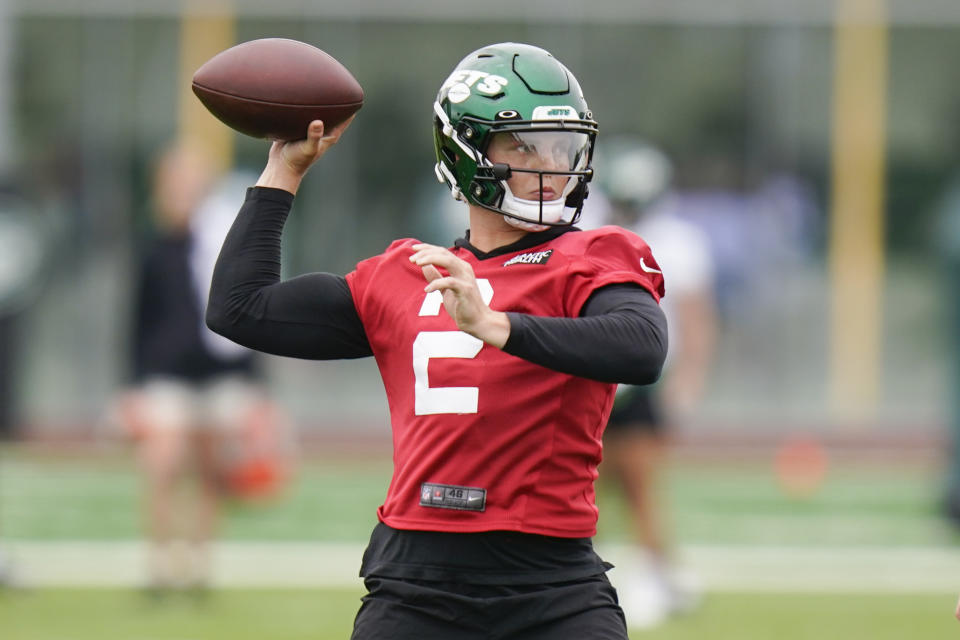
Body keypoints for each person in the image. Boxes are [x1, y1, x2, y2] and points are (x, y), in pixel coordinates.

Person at [207, 43, 667, 639]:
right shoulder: (408, 272)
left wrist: (496, 325)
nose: (550, 165)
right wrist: (284, 171)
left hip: (552, 583)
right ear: (467, 151)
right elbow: (239, 309)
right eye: (524, 146)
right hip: (417, 584)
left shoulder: (592, 256)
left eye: (561, 147)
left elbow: (641, 347)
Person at [115, 142, 270, 597]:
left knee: (209, 473)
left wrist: (256, 383)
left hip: (220, 374)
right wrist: (130, 385)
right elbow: (136, 320)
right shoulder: (155, 248)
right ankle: (160, 566)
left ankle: (199, 567)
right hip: (167, 375)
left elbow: (248, 312)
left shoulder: (221, 244)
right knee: (162, 465)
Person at [593, 139, 717, 628]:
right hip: (599, 374)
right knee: (590, 484)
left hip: (645, 377)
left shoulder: (677, 240)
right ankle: (619, 573)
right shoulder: (594, 231)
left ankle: (654, 573)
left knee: (641, 481)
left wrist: (688, 379)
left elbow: (696, 317)